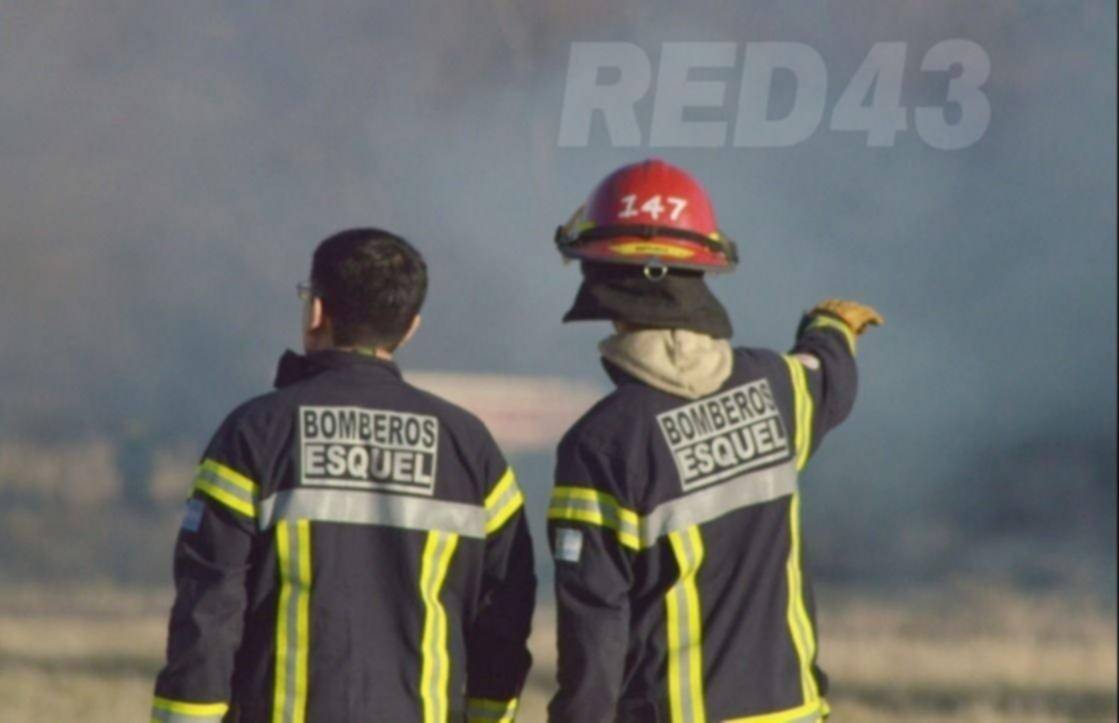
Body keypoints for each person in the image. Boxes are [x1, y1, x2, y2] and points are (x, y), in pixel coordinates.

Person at [546, 159, 883, 723]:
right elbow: (830, 377)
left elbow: (594, 629)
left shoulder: (601, 444)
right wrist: (830, 327)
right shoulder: (778, 387)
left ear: (601, 282)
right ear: (702, 274)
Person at [151, 228, 535, 723]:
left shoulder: (255, 434)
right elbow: (505, 611)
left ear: (316, 311)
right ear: (410, 327)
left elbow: (208, 611)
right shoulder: (471, 447)